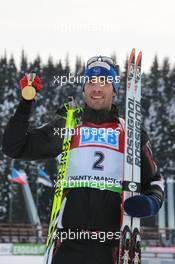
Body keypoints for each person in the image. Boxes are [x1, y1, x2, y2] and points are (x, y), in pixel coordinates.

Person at [2, 56, 164, 264]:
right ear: (84, 88)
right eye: (91, 82)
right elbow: (14, 147)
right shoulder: (67, 127)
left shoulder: (129, 132)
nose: (97, 88)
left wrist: (150, 202)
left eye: (104, 82)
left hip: (113, 245)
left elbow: (155, 181)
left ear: (114, 89)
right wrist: (26, 104)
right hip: (68, 244)